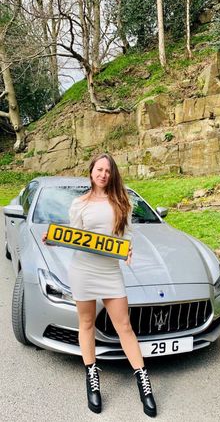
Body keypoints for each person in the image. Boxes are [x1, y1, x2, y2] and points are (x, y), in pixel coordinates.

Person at [43, 153, 157, 418]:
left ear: (112, 174)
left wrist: (128, 251)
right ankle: (92, 377)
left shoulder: (121, 203)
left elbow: (127, 237)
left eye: (108, 170)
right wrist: (54, 239)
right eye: (99, 169)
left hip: (110, 271)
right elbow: (74, 238)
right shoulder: (79, 204)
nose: (103, 174)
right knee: (86, 324)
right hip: (83, 270)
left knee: (125, 327)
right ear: (91, 171)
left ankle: (144, 382)